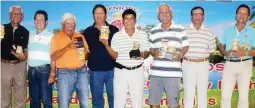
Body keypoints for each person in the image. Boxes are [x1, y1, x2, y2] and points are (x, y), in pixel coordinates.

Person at [100, 9, 150, 108]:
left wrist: (142, 54)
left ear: (135, 20)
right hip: (120, 72)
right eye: (126, 19)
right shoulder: (117, 36)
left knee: (137, 103)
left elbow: (147, 52)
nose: (129, 21)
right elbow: (115, 56)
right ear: (123, 20)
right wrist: (106, 45)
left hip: (137, 71)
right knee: (118, 103)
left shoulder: (142, 34)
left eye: (131, 19)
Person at [148, 4, 189, 108]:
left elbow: (186, 46)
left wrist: (180, 54)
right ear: (158, 15)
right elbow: (151, 49)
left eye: (166, 12)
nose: (164, 15)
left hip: (173, 73)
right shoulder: (153, 30)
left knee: (174, 105)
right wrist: (154, 53)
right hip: (156, 72)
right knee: (153, 104)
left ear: (171, 14)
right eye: (161, 12)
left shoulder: (180, 29)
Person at [82, 4, 119, 108]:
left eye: (101, 13)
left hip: (112, 70)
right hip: (94, 72)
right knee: (97, 101)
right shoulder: (87, 32)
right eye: (96, 13)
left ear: (106, 15)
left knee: (114, 100)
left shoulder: (114, 30)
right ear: (93, 15)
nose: (98, 15)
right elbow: (85, 52)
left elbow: (118, 51)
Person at [219, 4, 255, 108]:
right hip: (229, 64)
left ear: (248, 17)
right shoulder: (227, 30)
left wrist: (245, 53)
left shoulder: (253, 32)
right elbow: (221, 46)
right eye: (240, 13)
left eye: (245, 14)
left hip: (245, 65)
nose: (242, 16)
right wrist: (225, 53)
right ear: (235, 15)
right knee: (225, 96)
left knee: (243, 98)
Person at [50, 13, 90, 108]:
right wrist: (68, 47)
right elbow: (53, 57)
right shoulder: (56, 37)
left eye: (72, 23)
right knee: (63, 104)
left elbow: (87, 56)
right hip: (64, 74)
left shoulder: (80, 36)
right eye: (68, 23)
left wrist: (85, 52)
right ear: (62, 25)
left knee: (85, 103)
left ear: (75, 25)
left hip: (82, 72)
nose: (70, 26)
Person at [183, 6, 216, 108]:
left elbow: (212, 48)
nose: (197, 17)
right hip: (188, 64)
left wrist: (201, 54)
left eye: (200, 14)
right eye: (195, 14)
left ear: (203, 16)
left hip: (203, 64)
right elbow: (180, 47)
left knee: (202, 94)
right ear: (191, 17)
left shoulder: (209, 31)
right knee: (188, 94)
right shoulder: (184, 30)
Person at [1, 5, 29, 108]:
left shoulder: (25, 32)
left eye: (19, 14)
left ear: (22, 16)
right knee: (3, 96)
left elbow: (25, 50)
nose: (16, 16)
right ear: (9, 15)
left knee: (20, 96)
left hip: (20, 65)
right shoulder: (2, 28)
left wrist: (24, 57)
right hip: (4, 65)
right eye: (14, 13)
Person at [27, 10, 55, 108]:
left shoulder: (51, 36)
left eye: (41, 20)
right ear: (34, 21)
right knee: (34, 101)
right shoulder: (30, 35)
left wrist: (52, 73)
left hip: (44, 72)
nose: (38, 21)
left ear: (46, 22)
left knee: (46, 101)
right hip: (31, 71)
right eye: (36, 19)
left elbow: (54, 56)